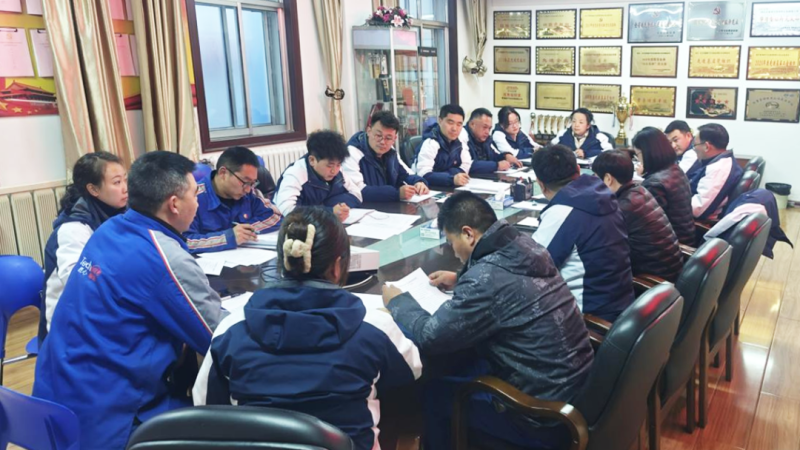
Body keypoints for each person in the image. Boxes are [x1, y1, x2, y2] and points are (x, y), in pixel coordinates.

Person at [33, 151, 226, 450]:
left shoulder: (108, 231)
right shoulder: (164, 257)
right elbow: (219, 337)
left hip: (54, 397)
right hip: (109, 417)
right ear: (174, 204)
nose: (198, 202)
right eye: (194, 194)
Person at [194, 207, 422, 450]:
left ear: (282, 262)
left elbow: (206, 405)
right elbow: (412, 371)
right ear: (337, 266)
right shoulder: (375, 327)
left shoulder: (231, 329)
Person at [382, 192, 593, 450]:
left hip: (540, 417)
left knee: (436, 392)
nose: (453, 250)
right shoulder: (526, 245)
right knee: (463, 363)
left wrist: (398, 302)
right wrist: (462, 278)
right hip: (574, 391)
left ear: (468, 234)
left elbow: (431, 336)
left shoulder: (486, 279)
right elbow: (507, 283)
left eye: (451, 241)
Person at [531, 144, 634, 321]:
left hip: (588, 320)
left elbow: (531, 268)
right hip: (621, 306)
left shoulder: (563, 213)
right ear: (578, 170)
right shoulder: (604, 195)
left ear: (540, 184)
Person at [39, 151, 128, 343]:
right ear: (93, 189)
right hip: (70, 328)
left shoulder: (120, 214)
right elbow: (80, 283)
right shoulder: (74, 229)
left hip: (104, 311)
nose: (125, 188)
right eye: (117, 182)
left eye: (125, 180)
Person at [592, 150, 684, 282]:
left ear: (608, 179)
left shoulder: (622, 208)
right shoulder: (640, 191)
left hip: (653, 281)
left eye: (595, 177)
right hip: (671, 272)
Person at [185, 146, 282, 253]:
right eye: (245, 182)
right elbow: (185, 242)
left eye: (252, 183)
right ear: (223, 173)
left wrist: (246, 230)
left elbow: (274, 217)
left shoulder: (248, 193)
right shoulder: (193, 198)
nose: (248, 189)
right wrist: (228, 237)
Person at [274, 130, 362, 222]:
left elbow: (357, 195)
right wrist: (329, 211)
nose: (334, 171)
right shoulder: (295, 174)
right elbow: (287, 210)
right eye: (329, 166)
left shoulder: (337, 171)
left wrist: (339, 209)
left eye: (338, 164)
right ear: (312, 160)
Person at [342, 110, 429, 201]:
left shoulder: (390, 151)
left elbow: (405, 174)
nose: (383, 142)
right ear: (369, 131)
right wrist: (397, 193)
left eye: (388, 138)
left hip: (387, 205)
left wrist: (418, 182)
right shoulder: (352, 153)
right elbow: (358, 191)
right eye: (378, 135)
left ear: (394, 138)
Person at [632, 127, 696, 246]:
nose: (639, 159)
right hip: (685, 237)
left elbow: (647, 227)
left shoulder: (655, 184)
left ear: (647, 153)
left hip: (673, 246)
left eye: (637, 154)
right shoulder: (675, 169)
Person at [686, 123, 744, 221]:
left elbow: (698, 209)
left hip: (698, 224)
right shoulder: (720, 162)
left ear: (706, 147)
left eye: (694, 145)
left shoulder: (719, 169)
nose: (694, 149)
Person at [414, 104, 473, 187]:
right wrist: (451, 178)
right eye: (450, 122)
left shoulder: (460, 142)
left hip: (448, 186)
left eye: (459, 124)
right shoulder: (430, 142)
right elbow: (424, 175)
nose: (454, 128)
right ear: (440, 121)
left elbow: (466, 166)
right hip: (428, 189)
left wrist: (447, 175)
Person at [464, 108, 523, 174]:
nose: (487, 132)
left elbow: (494, 156)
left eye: (489, 128)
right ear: (472, 124)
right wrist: (496, 166)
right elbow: (468, 165)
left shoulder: (486, 140)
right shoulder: (462, 137)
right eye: (484, 127)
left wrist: (506, 156)